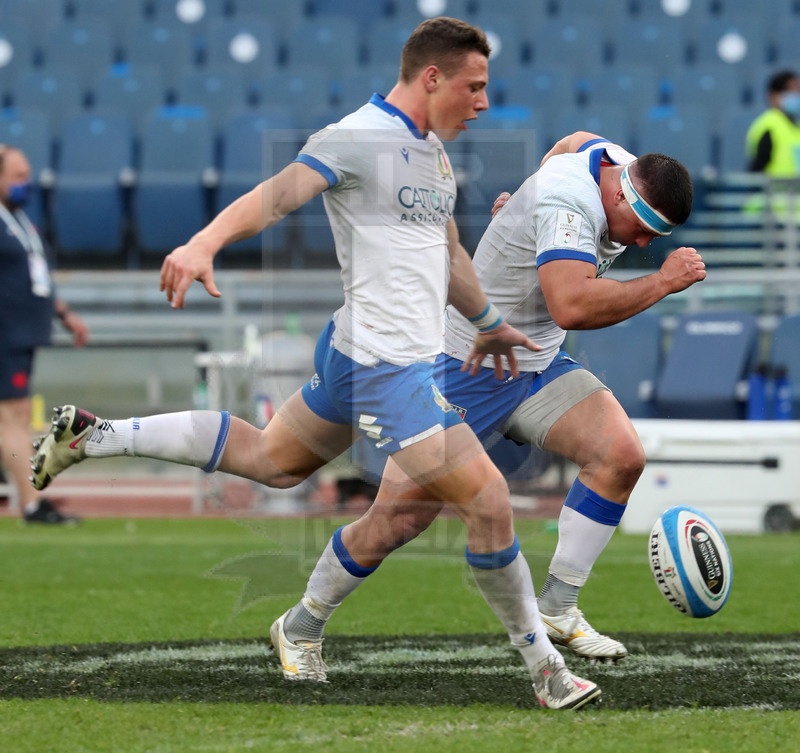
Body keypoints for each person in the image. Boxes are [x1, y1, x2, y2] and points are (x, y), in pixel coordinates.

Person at [31, 18, 601, 710]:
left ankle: (99, 436)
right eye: (474, 86)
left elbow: (446, 253)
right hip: (386, 370)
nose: (483, 102)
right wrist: (203, 242)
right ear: (432, 77)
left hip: (356, 350)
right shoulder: (358, 136)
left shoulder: (434, 156)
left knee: (274, 460)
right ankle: (546, 670)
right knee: (487, 500)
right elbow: (278, 194)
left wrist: (487, 324)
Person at [250, 130, 704, 670]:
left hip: (534, 361)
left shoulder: (608, 163)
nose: (645, 244)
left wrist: (520, 211)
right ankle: (300, 626)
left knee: (621, 456)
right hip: (465, 365)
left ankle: (558, 606)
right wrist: (661, 283)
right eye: (645, 229)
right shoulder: (568, 206)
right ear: (619, 197)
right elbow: (573, 307)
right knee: (398, 520)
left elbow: (572, 141)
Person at [0, 144, 89, 524]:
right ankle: (33, 503)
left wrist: (64, 314)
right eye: (17, 176)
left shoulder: (19, 222)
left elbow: (34, 278)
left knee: (13, 416)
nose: (26, 183)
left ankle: (28, 497)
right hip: (4, 332)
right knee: (12, 416)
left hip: (21, 332)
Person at [746, 69, 800, 176]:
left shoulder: (796, 124)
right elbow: (757, 168)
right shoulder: (769, 125)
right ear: (773, 96)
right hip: (774, 192)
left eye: (797, 90)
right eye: (790, 91)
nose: (796, 95)